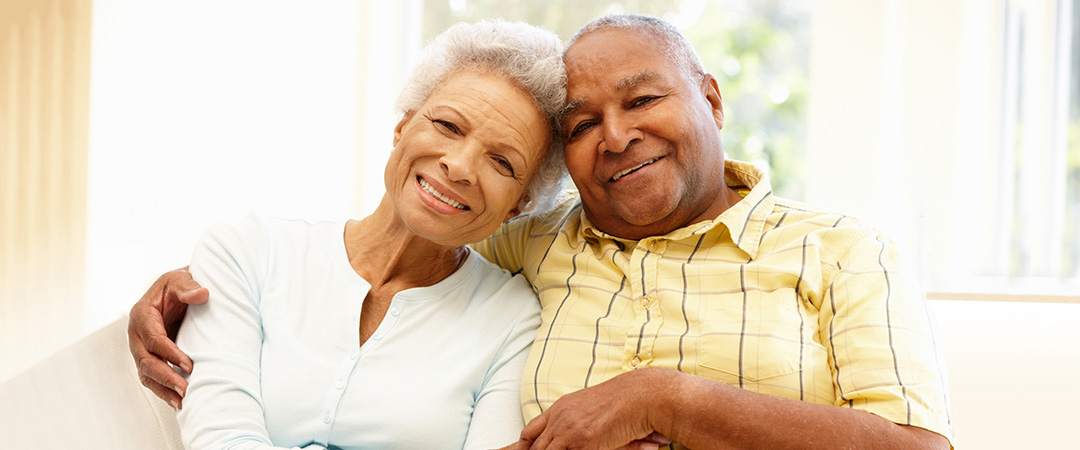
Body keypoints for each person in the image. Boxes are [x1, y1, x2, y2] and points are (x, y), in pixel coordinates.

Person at [130, 14, 954, 450]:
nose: (616, 135)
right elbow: (409, 238)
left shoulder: (844, 249)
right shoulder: (533, 242)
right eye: (583, 122)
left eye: (642, 101)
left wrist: (664, 398)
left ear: (710, 97)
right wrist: (188, 289)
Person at [163, 20, 570, 450]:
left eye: (502, 162)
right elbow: (221, 440)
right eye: (449, 126)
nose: (460, 166)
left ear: (518, 205)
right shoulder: (243, 251)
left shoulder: (513, 319)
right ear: (402, 128)